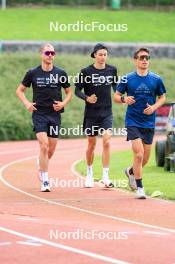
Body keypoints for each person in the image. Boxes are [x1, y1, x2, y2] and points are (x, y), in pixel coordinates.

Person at [16, 43, 72, 192]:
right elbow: (20, 91)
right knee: (44, 145)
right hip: (39, 114)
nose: (50, 56)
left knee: (51, 149)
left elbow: (69, 92)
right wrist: (27, 103)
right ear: (41, 54)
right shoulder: (32, 73)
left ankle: (42, 163)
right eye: (47, 53)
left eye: (52, 53)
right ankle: (45, 180)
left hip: (55, 114)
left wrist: (63, 103)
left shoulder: (61, 73)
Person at [114, 47, 166, 199]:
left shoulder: (156, 79)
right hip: (133, 121)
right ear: (135, 60)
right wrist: (124, 99)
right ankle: (140, 188)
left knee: (145, 160)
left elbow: (162, 97)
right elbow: (116, 96)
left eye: (147, 58)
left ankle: (130, 172)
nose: (144, 60)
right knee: (139, 154)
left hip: (149, 122)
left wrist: (154, 107)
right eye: (142, 57)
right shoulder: (127, 79)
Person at [75, 43, 118, 188]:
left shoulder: (112, 70)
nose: (102, 57)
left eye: (105, 54)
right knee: (91, 144)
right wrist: (87, 98)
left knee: (107, 141)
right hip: (91, 114)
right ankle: (89, 173)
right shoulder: (86, 72)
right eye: (100, 54)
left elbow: (116, 87)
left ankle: (105, 176)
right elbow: (77, 91)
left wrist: (123, 96)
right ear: (94, 55)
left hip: (107, 112)